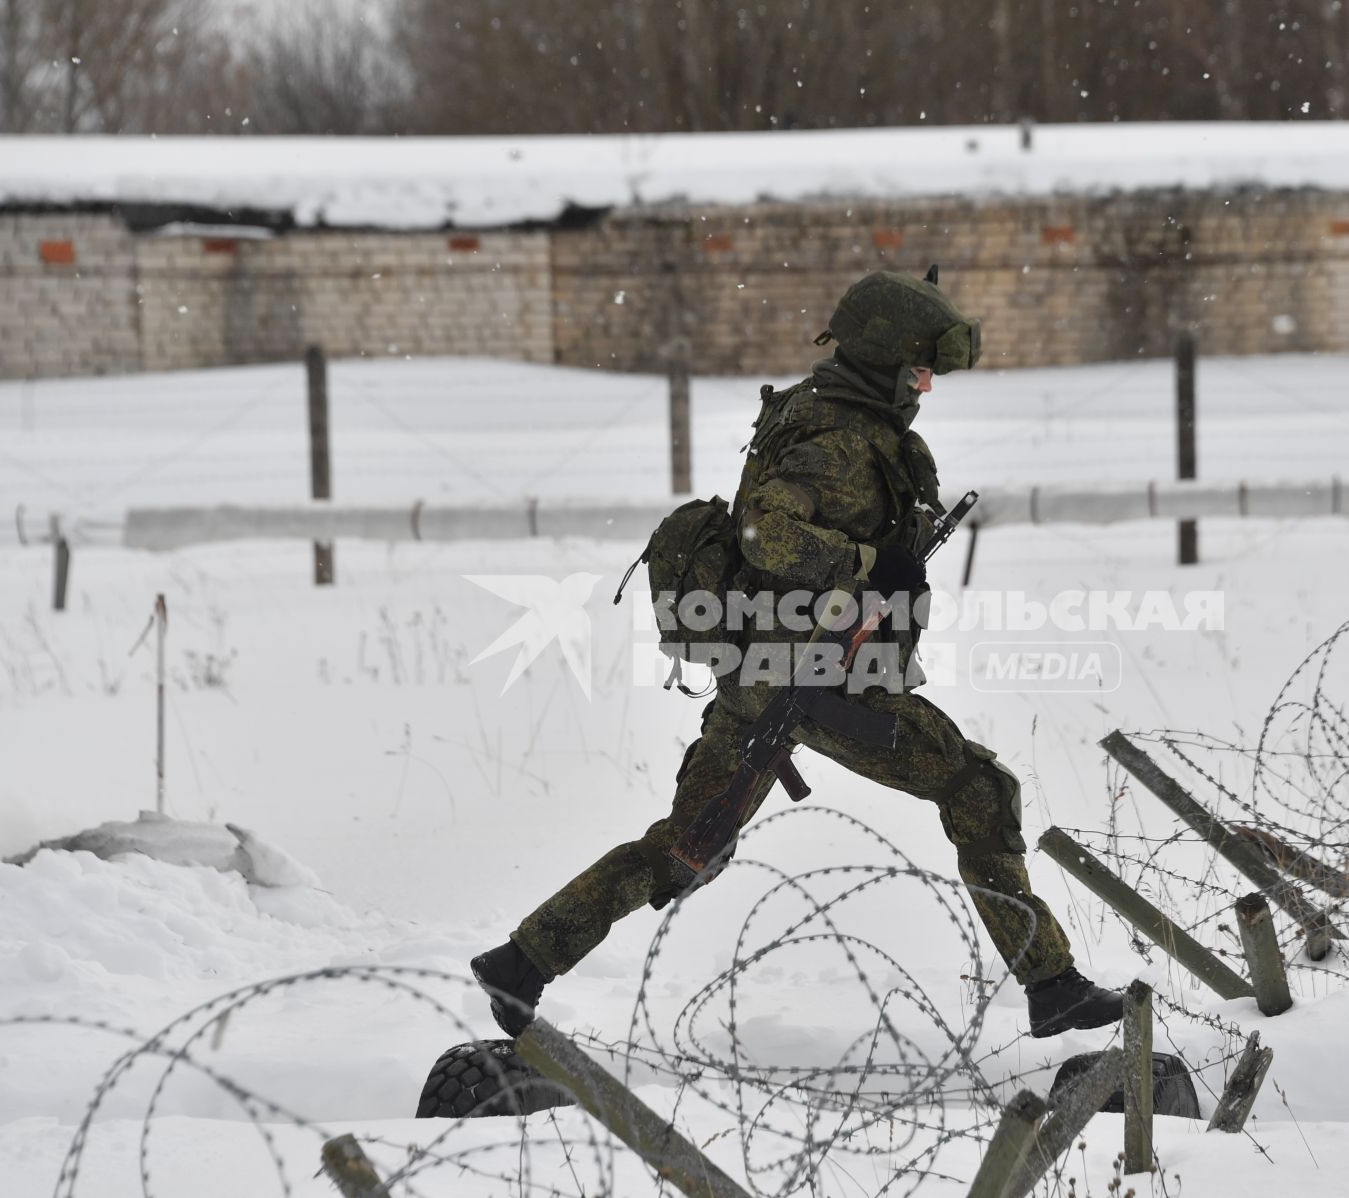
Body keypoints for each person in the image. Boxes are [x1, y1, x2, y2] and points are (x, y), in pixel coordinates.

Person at [472, 268, 1123, 1039]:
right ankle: (1051, 985)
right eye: (918, 370)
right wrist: (863, 564)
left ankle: (525, 959)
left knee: (686, 851)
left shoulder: (832, 419)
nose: (926, 386)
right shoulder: (836, 439)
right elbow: (764, 534)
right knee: (979, 790)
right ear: (883, 360)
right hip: (818, 679)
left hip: (770, 676)